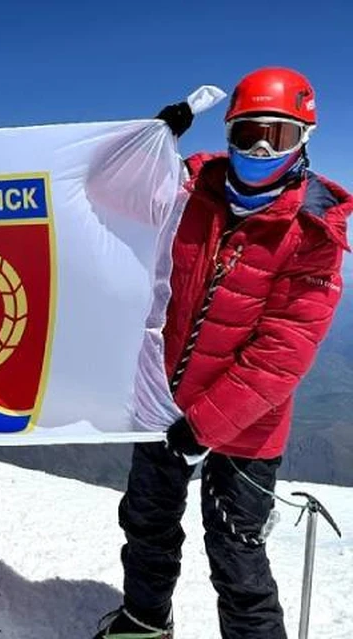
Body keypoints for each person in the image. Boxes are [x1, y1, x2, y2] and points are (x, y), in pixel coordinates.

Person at [91, 67, 352, 638]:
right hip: (161, 404)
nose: (260, 149)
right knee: (147, 525)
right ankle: (144, 621)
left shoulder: (313, 234)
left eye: (277, 136)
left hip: (246, 426)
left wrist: (204, 426)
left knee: (237, 555)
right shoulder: (186, 191)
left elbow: (282, 354)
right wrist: (150, 141)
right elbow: (101, 192)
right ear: (228, 134)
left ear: (304, 139)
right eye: (246, 134)